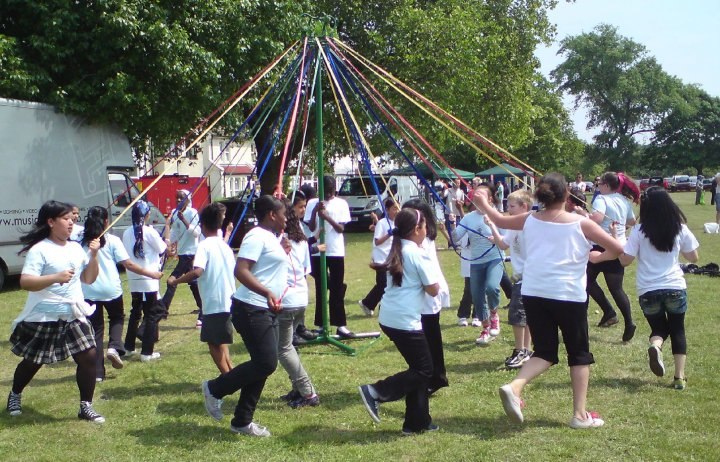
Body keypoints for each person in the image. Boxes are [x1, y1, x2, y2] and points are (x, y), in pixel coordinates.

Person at [473, 172, 623, 429]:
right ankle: (579, 415)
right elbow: (618, 248)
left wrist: (483, 202)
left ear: (540, 197)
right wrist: (597, 258)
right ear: (567, 195)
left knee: (545, 352)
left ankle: (515, 386)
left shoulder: (530, 219)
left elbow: (499, 219)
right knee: (578, 354)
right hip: (568, 295)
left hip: (534, 292)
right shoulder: (580, 223)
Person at [7, 200, 105, 422]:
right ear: (51, 222)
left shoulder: (75, 248)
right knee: (33, 360)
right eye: (66, 219)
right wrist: (55, 278)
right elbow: (25, 282)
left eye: (73, 219)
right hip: (44, 314)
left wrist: (94, 255)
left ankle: (85, 407)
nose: (71, 223)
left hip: (73, 313)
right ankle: (15, 394)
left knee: (89, 355)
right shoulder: (40, 250)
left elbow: (89, 278)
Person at [201, 195, 288, 437]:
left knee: (263, 364)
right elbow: (240, 270)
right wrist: (267, 291)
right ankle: (215, 388)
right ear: (272, 214)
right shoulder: (256, 236)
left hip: (266, 309)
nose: (286, 218)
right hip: (251, 307)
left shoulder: (270, 237)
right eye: (283, 213)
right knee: (266, 362)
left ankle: (242, 421)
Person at [358, 208, 440, 435]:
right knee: (424, 370)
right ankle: (376, 391)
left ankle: (417, 423)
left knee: (418, 369)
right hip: (404, 321)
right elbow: (434, 290)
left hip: (390, 317)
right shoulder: (417, 253)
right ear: (417, 229)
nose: (426, 230)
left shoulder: (399, 249)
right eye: (424, 226)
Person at [618, 187, 699, 390]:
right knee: (678, 329)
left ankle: (655, 346)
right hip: (674, 286)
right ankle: (679, 377)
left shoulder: (638, 230)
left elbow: (625, 261)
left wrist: (618, 241)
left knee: (659, 328)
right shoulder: (679, 228)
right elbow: (693, 257)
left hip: (648, 289)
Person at [81, 206, 162, 381]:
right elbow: (129, 264)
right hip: (111, 289)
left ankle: (97, 374)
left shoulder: (80, 241)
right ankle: (114, 346)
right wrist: (152, 274)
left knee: (96, 329)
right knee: (117, 318)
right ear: (106, 222)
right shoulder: (111, 240)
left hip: (89, 290)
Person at [168, 203, 236, 374]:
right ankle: (231, 374)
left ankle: (229, 379)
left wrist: (176, 281)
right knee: (220, 341)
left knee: (213, 343)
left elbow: (197, 271)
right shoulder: (225, 246)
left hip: (214, 303)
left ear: (203, 225)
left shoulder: (204, 246)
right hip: (228, 301)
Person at [277, 193, 320, 408]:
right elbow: (305, 270)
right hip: (300, 297)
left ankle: (307, 392)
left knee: (282, 349)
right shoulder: (301, 234)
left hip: (286, 300)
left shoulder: (277, 238)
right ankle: (297, 389)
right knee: (289, 346)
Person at [403, 199, 450, 395]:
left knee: (430, 338)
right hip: (425, 295)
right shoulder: (418, 240)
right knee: (428, 337)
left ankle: (435, 376)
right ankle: (432, 375)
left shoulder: (424, 240)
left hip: (429, 294)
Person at [587, 172, 640, 342]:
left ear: (607, 185)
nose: (597, 186)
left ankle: (609, 312)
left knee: (585, 281)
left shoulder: (601, 199)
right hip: (618, 247)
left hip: (600, 246)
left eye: (599, 183)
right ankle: (626, 321)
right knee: (616, 288)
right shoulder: (623, 200)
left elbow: (597, 218)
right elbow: (631, 222)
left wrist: (583, 215)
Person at [485, 189, 534, 369]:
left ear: (524, 207)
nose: (508, 209)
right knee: (525, 315)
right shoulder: (514, 226)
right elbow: (504, 244)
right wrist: (493, 228)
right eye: (507, 205)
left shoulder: (529, 224)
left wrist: (494, 224)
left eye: (512, 206)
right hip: (522, 278)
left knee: (518, 315)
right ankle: (526, 351)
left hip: (527, 277)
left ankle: (521, 350)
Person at [453, 182, 504, 346]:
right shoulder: (468, 218)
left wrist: (495, 237)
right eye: (475, 195)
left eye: (481, 195)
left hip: (495, 258)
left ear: (489, 199)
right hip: (476, 262)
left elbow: (506, 238)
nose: (477, 197)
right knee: (477, 296)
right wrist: (452, 224)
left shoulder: (497, 215)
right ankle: (485, 328)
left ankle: (494, 315)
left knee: (492, 287)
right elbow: (456, 237)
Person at [305, 175, 353, 338]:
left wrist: (326, 217)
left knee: (337, 288)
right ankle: (320, 324)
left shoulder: (341, 204)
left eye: (331, 192)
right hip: (319, 250)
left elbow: (340, 229)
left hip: (335, 250)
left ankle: (340, 325)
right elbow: (311, 227)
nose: (328, 195)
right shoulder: (312, 203)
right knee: (320, 287)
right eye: (325, 191)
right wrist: (314, 213)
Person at [122, 200, 168, 362]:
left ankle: (129, 346)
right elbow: (162, 249)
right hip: (149, 278)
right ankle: (147, 352)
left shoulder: (127, 232)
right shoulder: (149, 231)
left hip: (133, 278)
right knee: (152, 314)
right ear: (147, 215)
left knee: (135, 312)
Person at [163, 189, 203, 326]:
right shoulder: (175, 213)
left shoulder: (192, 213)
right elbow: (175, 231)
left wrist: (184, 220)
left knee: (172, 280)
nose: (178, 201)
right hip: (182, 252)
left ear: (188, 199)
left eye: (181, 198)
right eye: (177, 198)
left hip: (191, 253)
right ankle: (202, 306)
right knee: (193, 281)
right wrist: (168, 243)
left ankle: (163, 309)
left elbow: (196, 233)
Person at [359, 198, 399, 316]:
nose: (396, 211)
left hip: (392, 258)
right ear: (387, 210)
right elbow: (377, 242)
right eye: (394, 208)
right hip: (381, 258)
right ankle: (367, 303)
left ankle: (373, 304)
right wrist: (389, 234)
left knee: (391, 284)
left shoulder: (397, 223)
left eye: (398, 208)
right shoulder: (382, 223)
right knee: (382, 284)